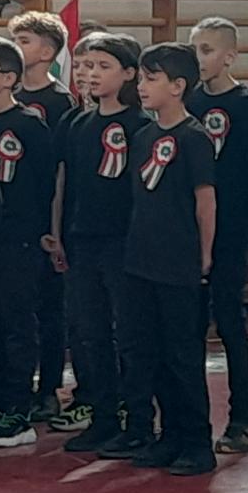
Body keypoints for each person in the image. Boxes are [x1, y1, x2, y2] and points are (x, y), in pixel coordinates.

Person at [109, 43, 217, 476]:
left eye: (151, 79)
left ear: (178, 86)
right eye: (141, 78)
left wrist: (204, 254)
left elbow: (205, 201)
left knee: (182, 355)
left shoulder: (194, 137)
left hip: (178, 260)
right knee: (146, 352)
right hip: (141, 258)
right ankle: (167, 434)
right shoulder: (143, 136)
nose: (142, 86)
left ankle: (197, 441)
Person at [49, 33, 146, 453]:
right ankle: (103, 416)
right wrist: (57, 232)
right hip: (82, 239)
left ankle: (137, 419)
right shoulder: (76, 123)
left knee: (130, 334)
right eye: (86, 65)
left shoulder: (141, 125)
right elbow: (63, 181)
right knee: (90, 332)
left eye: (103, 66)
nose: (91, 74)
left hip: (124, 241)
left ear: (128, 73)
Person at [0, 37, 55, 448]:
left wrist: (38, 232)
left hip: (20, 240)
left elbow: (45, 183)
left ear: (9, 78)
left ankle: (20, 406)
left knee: (18, 323)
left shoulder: (30, 124)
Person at [186, 16, 248, 454]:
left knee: (231, 322)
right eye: (194, 49)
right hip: (188, 229)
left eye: (207, 50)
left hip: (230, 231)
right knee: (188, 326)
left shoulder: (244, 106)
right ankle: (187, 418)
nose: (199, 57)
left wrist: (241, 227)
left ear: (229, 56)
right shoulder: (189, 100)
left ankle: (242, 420)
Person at [9, 10, 76, 424]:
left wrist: (53, 227)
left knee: (49, 308)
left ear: (48, 52)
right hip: (11, 220)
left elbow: (60, 170)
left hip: (45, 218)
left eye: (25, 41)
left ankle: (49, 387)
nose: (17, 48)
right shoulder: (5, 95)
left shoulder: (60, 101)